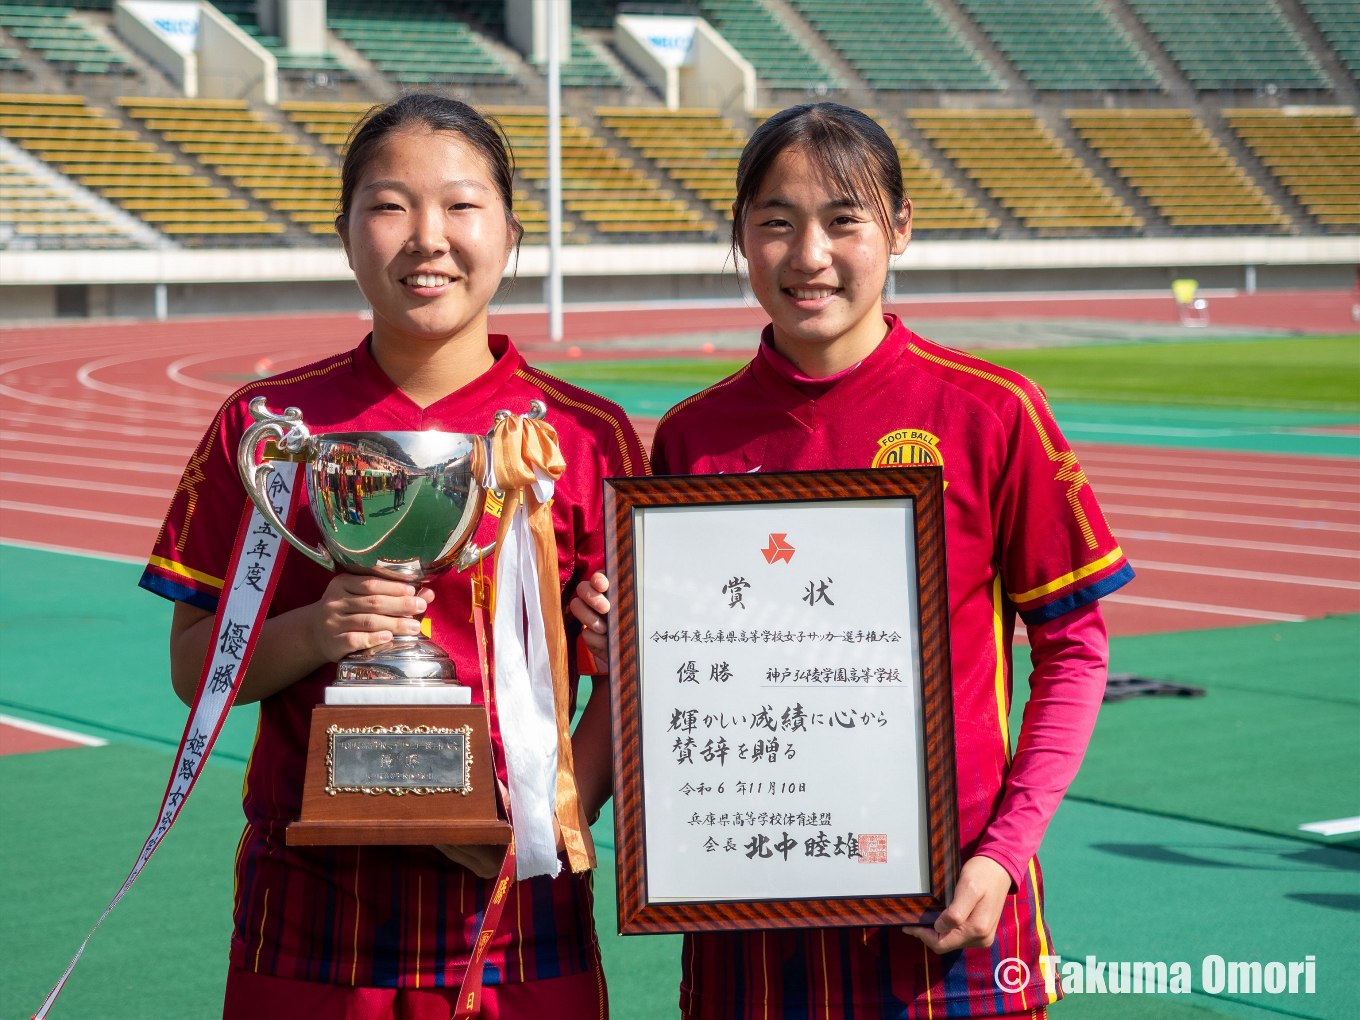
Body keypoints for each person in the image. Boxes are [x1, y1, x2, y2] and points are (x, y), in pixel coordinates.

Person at [139, 94, 644, 1020]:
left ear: (510, 231)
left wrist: (541, 827)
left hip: (519, 910)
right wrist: (321, 627)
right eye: (389, 206)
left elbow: (627, 679)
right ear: (345, 234)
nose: (427, 239)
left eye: (460, 205)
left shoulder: (586, 436)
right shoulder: (269, 428)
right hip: (312, 906)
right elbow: (191, 665)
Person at [649, 103, 1132, 1018]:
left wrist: (1004, 853)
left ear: (899, 228)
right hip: (750, 918)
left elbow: (1074, 649)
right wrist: (619, 635)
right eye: (777, 224)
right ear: (741, 238)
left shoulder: (991, 411)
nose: (809, 256)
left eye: (844, 220)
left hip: (954, 913)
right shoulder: (692, 437)